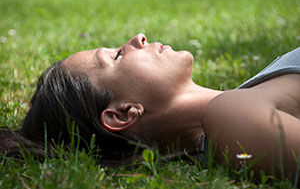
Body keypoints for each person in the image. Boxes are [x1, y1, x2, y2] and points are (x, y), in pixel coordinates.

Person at [1, 34, 300, 181]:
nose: (137, 38)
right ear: (123, 113)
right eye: (118, 55)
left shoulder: (241, 102)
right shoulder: (230, 115)